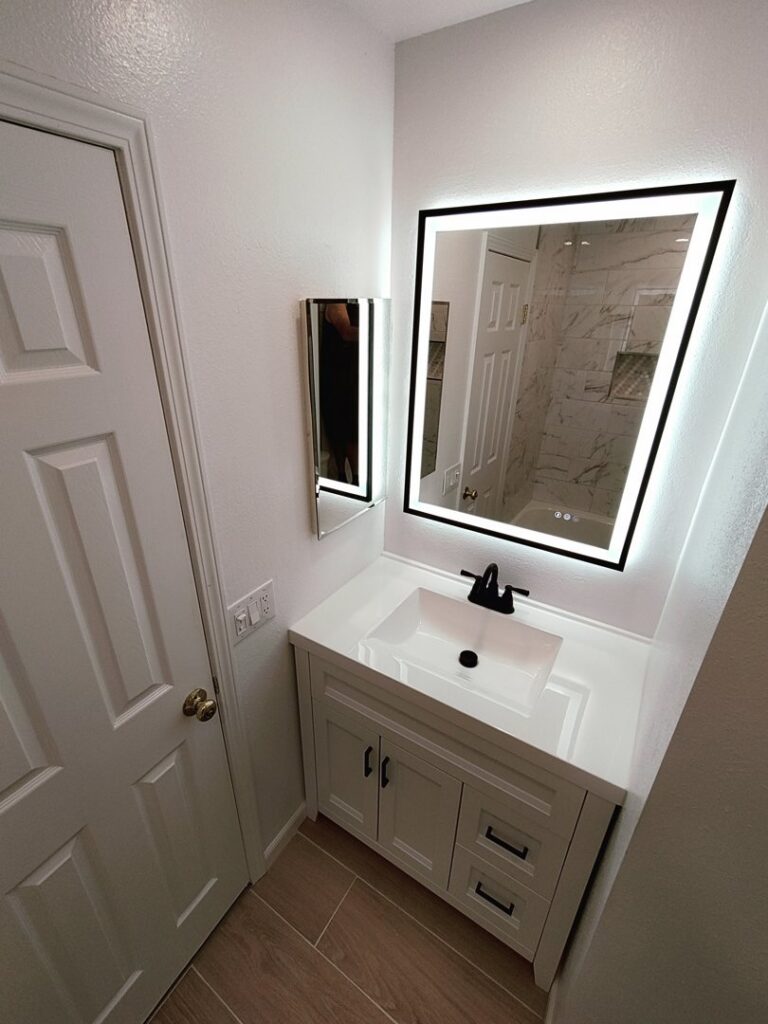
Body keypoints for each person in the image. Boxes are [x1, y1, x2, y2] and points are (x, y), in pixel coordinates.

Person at [319, 302, 360, 485]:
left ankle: (354, 478)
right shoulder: (335, 304)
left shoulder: (350, 302)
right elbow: (346, 332)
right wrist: (380, 330)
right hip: (337, 375)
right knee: (342, 429)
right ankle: (345, 476)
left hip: (349, 372)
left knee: (350, 429)